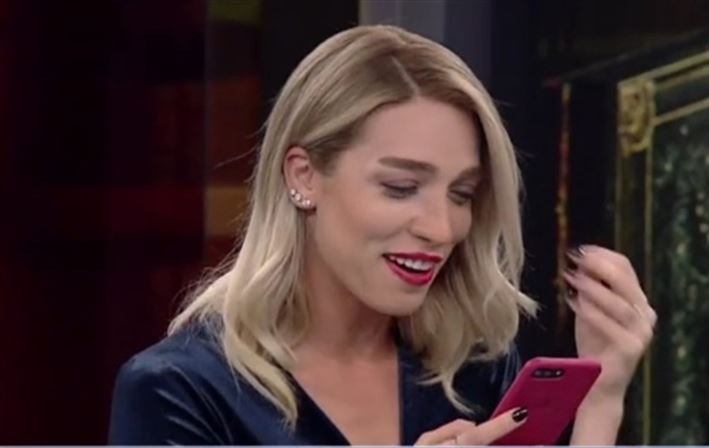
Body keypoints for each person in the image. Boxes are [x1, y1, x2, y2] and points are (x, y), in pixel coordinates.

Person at [108, 25, 656, 445]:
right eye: (400, 187)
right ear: (304, 176)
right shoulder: (179, 392)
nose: (440, 228)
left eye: (462, 194)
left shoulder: (472, 371)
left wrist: (600, 401)